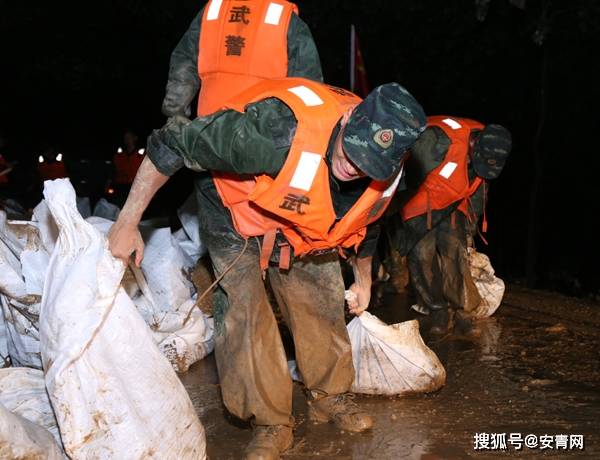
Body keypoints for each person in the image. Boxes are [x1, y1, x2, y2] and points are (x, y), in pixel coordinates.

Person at [109, 77, 426, 459]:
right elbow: (171, 141)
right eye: (350, 153)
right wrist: (127, 221)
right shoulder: (269, 132)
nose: (353, 167)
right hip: (235, 209)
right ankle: (270, 421)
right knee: (246, 312)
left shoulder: (389, 171)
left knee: (321, 298)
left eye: (368, 166)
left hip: (301, 218)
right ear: (346, 121)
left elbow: (366, 221)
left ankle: (331, 396)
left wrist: (362, 280)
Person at [398, 116, 512, 334]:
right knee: (421, 256)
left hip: (453, 201)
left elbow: (479, 189)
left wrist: (471, 224)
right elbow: (403, 178)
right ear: (474, 144)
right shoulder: (436, 142)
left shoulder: (492, 147)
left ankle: (462, 311)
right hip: (419, 201)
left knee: (456, 250)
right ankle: (437, 309)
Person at [162, 0, 322, 119]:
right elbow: (307, 84)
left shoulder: (213, 10)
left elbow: (184, 64)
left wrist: (175, 113)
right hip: (262, 131)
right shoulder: (284, 17)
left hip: (209, 131)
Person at [111, 129, 145, 205]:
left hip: (136, 186)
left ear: (135, 138)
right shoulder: (119, 154)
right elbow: (114, 169)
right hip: (121, 186)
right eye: (125, 138)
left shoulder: (142, 154)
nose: (127, 140)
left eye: (129, 137)